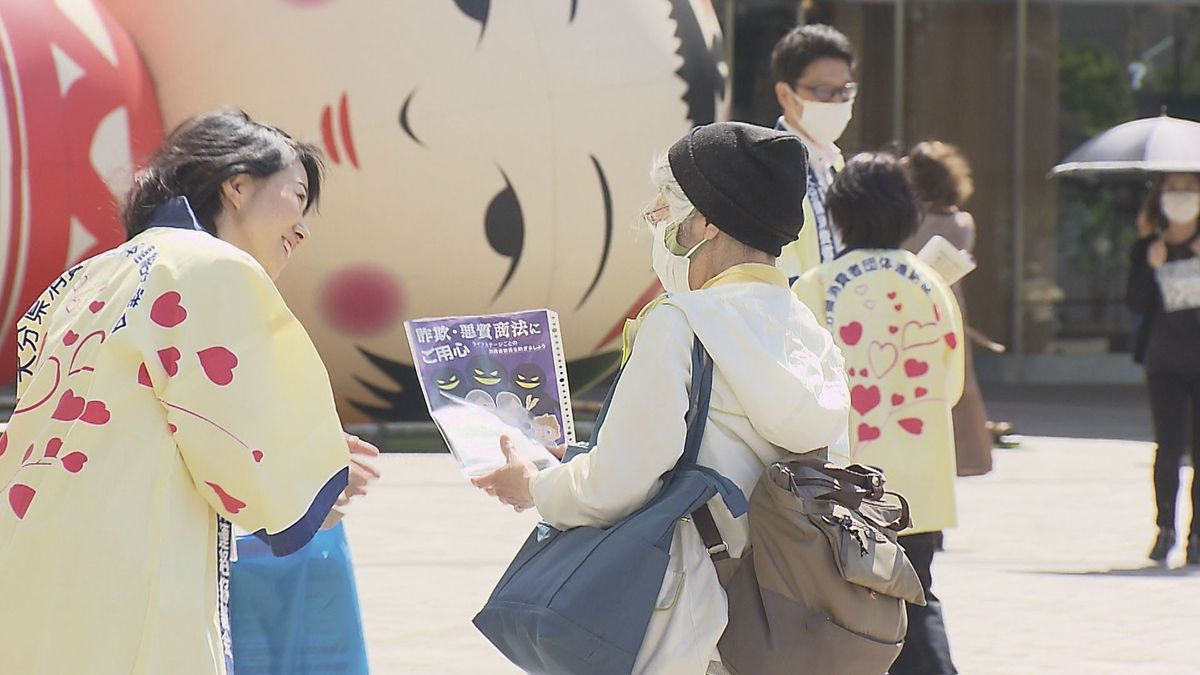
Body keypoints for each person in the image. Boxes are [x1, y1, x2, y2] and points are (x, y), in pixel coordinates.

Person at [1, 110, 380, 674]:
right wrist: (317, 472)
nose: (302, 226)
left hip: (28, 556)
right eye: (296, 197)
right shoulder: (211, 267)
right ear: (238, 185)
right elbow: (247, 446)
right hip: (122, 568)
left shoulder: (92, 273)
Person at [471, 122, 850, 674]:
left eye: (662, 214)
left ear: (704, 225)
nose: (658, 229)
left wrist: (534, 486)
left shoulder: (682, 324)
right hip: (786, 621)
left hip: (687, 620)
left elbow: (617, 485)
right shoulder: (809, 333)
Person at [792, 153, 964, 675]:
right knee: (916, 598)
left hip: (846, 486)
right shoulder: (932, 284)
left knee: (847, 615)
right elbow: (949, 386)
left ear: (839, 213)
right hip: (922, 487)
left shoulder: (814, 287)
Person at [902, 141, 994, 476]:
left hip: (909, 306)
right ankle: (970, 456)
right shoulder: (963, 222)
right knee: (959, 380)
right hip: (950, 305)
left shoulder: (912, 220)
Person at [1125, 171, 1200, 565]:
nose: (1181, 197)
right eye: (1173, 189)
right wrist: (1152, 268)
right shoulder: (1146, 248)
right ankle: (1165, 529)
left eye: (1189, 189)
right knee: (1168, 448)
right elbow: (1134, 303)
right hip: (1165, 359)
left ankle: (1196, 536)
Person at [770, 23, 858, 277]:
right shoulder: (770, 168)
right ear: (785, 95)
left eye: (845, 90)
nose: (838, 102)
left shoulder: (836, 165)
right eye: (823, 91)